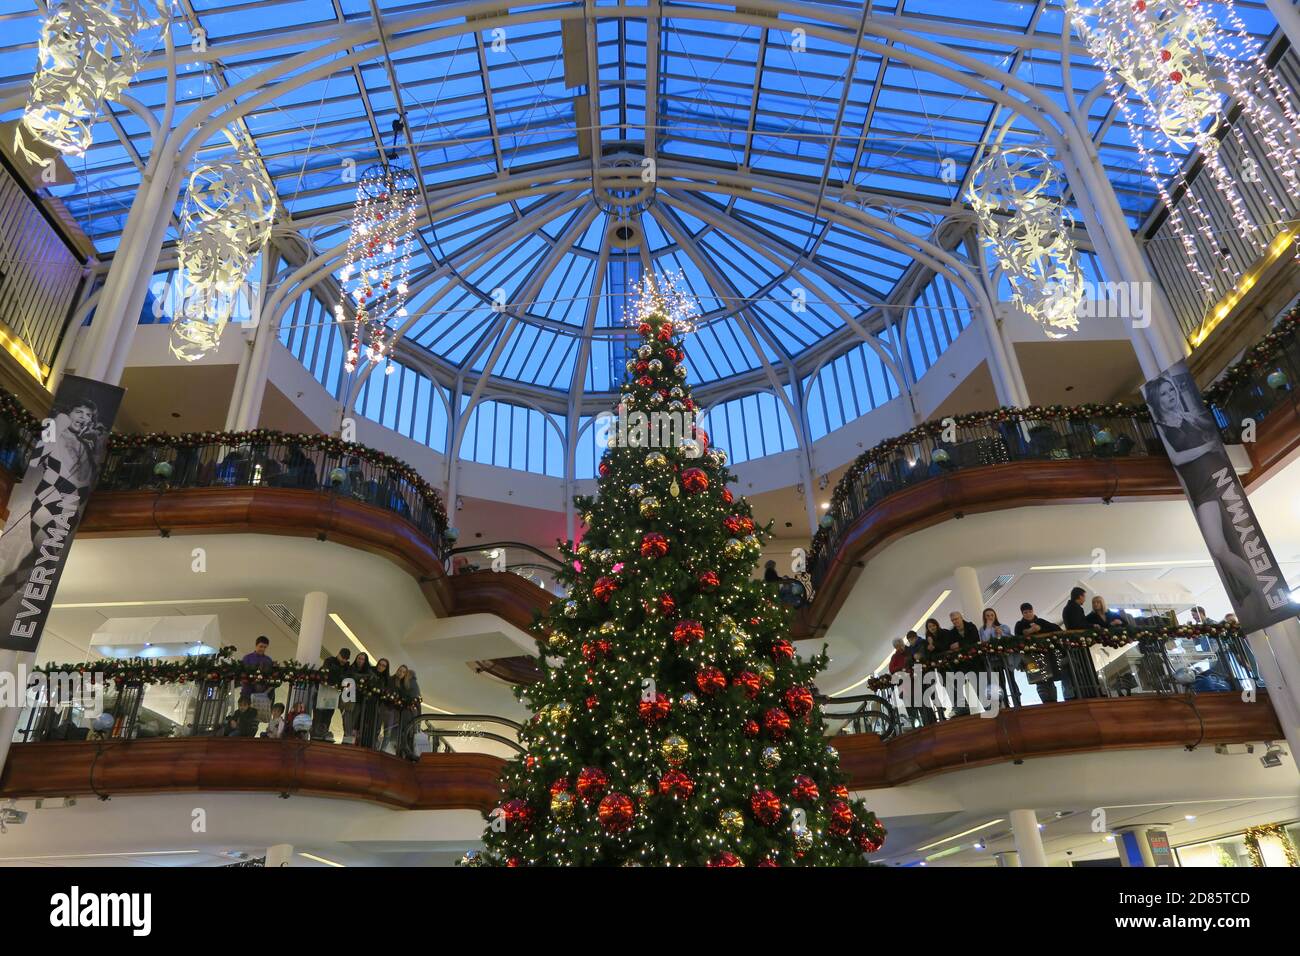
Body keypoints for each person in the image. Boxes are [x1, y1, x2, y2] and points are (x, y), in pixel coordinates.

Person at [1146, 374, 1262, 617]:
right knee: (1219, 548)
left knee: (1230, 541)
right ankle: (1258, 588)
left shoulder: (1188, 417)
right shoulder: (1161, 427)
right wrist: (1205, 447)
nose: (1170, 396)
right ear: (1157, 400)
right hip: (1199, 484)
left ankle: (1261, 592)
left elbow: (1210, 436)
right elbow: (1177, 458)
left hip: (1214, 475)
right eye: (1164, 394)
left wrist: (1203, 433)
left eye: (1171, 391)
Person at [1014, 602, 1062, 703]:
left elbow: (1056, 628)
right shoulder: (1019, 625)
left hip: (1046, 655)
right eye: (1025, 612)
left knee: (1050, 680)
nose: (1028, 614)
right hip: (1030, 658)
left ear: (1033, 611)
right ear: (1022, 614)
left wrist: (1041, 629)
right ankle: (1045, 702)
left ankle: (1054, 701)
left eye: (1030, 611)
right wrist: (1028, 631)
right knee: (1038, 680)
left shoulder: (1040, 621)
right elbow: (1017, 638)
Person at [979, 608, 1016, 707]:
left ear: (995, 615)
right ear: (984, 617)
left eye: (992, 615)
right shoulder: (982, 629)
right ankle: (1005, 703)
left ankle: (1017, 701)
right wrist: (989, 628)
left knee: (1011, 680)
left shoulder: (1004, 626)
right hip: (993, 660)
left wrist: (1000, 633)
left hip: (1006, 657)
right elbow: (984, 641)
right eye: (987, 616)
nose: (990, 617)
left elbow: (1010, 639)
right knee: (1000, 682)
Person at [946, 611, 981, 716]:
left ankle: (988, 707)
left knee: (979, 684)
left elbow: (974, 640)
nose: (955, 621)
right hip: (961, 663)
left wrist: (959, 644)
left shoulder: (971, 626)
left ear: (961, 618)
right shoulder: (951, 633)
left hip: (975, 661)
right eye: (953, 620)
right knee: (958, 683)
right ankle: (964, 709)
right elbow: (951, 646)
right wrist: (963, 644)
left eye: (956, 619)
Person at [313, 647, 351, 740]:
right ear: (338, 654)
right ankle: (315, 736)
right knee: (319, 716)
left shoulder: (346, 667)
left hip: (333, 695)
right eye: (342, 658)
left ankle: (323, 734)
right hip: (322, 693)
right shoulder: (329, 661)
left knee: (328, 716)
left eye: (345, 659)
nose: (343, 660)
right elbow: (325, 673)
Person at [240, 636, 276, 711]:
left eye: (265, 647)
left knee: (257, 715)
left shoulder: (268, 660)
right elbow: (242, 674)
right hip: (247, 691)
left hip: (261, 694)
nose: (262, 649)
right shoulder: (247, 658)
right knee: (244, 712)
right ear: (256, 645)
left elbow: (270, 675)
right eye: (261, 646)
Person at [341, 652, 370, 743]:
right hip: (349, 697)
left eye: (363, 659)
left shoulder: (368, 672)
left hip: (360, 699)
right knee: (347, 716)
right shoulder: (350, 668)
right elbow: (346, 678)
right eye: (359, 658)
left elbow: (370, 679)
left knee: (353, 720)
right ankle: (347, 738)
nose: (360, 661)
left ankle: (348, 739)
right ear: (356, 659)